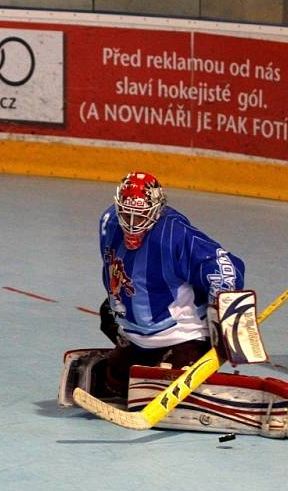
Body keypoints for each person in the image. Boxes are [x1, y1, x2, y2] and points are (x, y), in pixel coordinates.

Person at [91, 171, 244, 400]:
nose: (132, 224)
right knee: (112, 384)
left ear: (156, 210)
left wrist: (221, 315)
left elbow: (226, 267)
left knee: (155, 393)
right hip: (137, 335)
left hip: (183, 333)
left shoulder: (174, 232)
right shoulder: (108, 221)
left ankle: (189, 357)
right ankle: (139, 351)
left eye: (141, 217)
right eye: (127, 215)